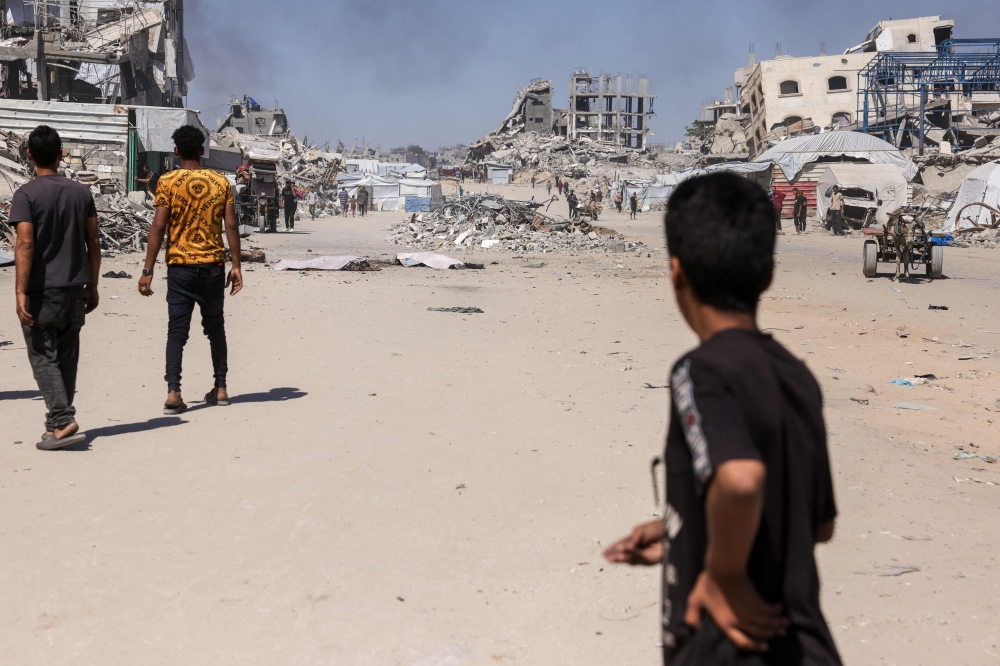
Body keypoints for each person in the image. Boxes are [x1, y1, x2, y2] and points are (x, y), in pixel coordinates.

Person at [604, 172, 840, 666]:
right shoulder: (798, 377)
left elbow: (740, 480)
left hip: (731, 648)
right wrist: (679, 532)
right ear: (769, 275)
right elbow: (816, 526)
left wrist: (722, 573)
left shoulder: (699, 372)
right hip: (806, 646)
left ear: (676, 274)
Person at [138, 125, 243, 414]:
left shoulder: (168, 182)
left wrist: (147, 271)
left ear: (175, 151)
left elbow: (158, 226)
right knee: (215, 329)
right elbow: (231, 225)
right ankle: (220, 387)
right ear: (202, 150)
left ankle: (174, 393)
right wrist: (236, 265)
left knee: (177, 332)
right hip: (212, 267)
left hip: (180, 268)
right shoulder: (221, 181)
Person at [12, 125, 101, 450]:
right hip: (74, 288)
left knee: (43, 356)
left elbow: (24, 244)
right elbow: (93, 241)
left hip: (42, 290)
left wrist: (20, 291)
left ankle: (62, 419)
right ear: (62, 154)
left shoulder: (26, 195)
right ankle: (55, 426)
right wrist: (92, 284)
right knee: (66, 357)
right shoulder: (81, 193)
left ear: (30, 155)